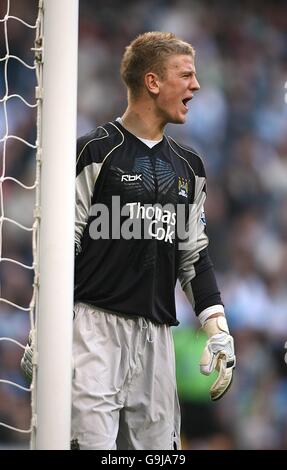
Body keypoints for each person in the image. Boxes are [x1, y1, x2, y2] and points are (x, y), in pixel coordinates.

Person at [21, 31, 235, 450]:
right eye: (186, 75)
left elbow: (193, 257)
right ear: (153, 82)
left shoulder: (190, 167)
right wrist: (42, 327)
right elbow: (61, 249)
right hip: (92, 330)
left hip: (158, 337)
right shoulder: (93, 152)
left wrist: (218, 330)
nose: (196, 86)